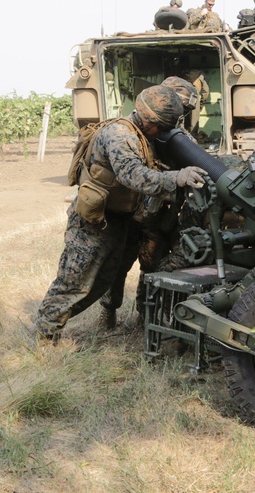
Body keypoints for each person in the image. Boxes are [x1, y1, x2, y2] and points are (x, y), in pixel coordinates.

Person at [35, 85, 208, 342]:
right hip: (93, 223)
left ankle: (55, 328)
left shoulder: (143, 134)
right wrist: (177, 178)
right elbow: (133, 176)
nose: (163, 133)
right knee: (74, 283)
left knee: (101, 282)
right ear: (146, 118)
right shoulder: (119, 134)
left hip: (118, 221)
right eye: (160, 127)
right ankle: (45, 338)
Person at [98, 76, 201, 328]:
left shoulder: (182, 140)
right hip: (128, 213)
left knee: (152, 268)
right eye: (179, 109)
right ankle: (108, 312)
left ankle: (147, 317)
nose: (181, 116)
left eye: (185, 111)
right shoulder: (132, 133)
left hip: (155, 216)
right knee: (118, 267)